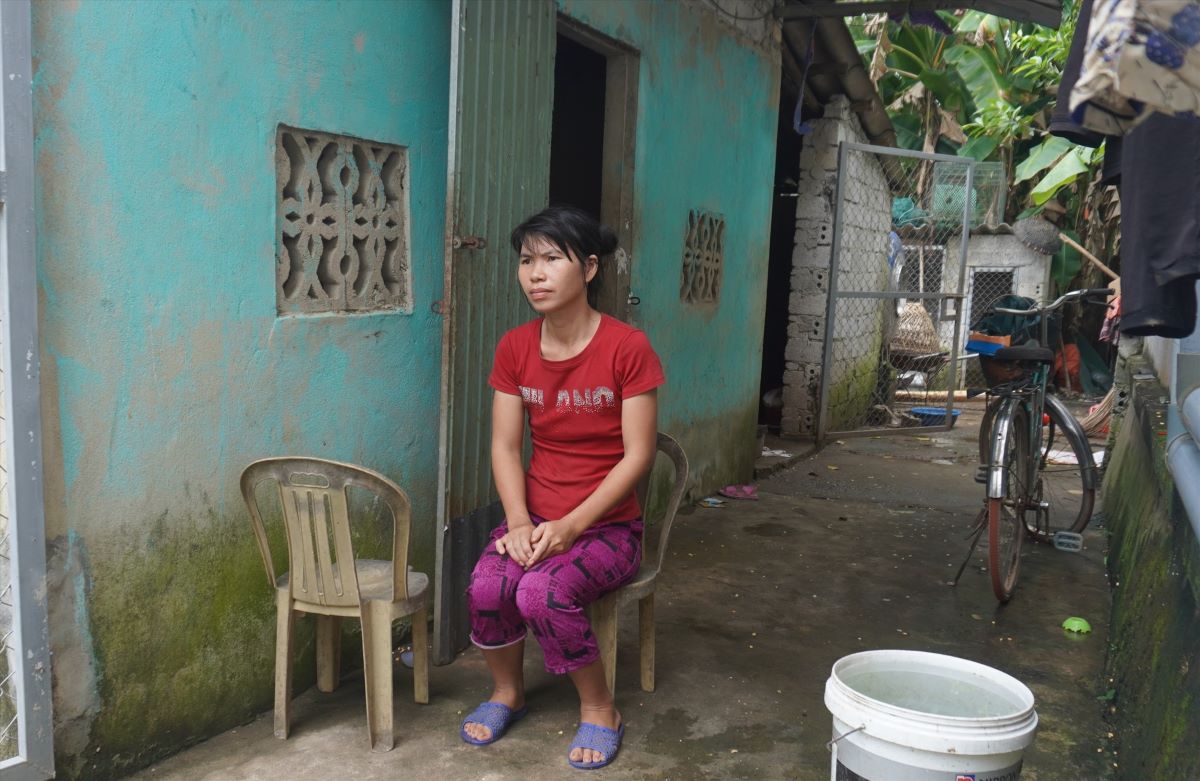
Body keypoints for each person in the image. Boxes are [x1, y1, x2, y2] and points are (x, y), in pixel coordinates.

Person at [459, 206, 664, 770]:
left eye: (552, 258)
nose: (536, 274)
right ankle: (508, 693)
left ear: (590, 268)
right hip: (537, 518)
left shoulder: (627, 348)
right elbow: (505, 446)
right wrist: (520, 522)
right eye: (526, 261)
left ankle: (600, 709)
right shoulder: (515, 348)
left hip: (608, 529)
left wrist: (571, 526)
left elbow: (639, 455)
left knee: (539, 593)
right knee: (486, 585)